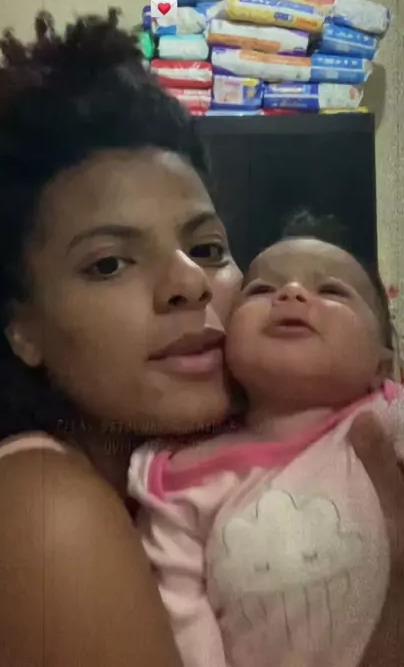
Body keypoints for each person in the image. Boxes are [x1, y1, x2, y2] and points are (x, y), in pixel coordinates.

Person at [0, 11, 401, 667]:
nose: (189, 283)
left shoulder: (165, 487)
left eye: (207, 248)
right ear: (22, 326)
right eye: (109, 264)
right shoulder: (44, 520)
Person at [129, 216, 402, 667]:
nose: (290, 293)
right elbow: (181, 619)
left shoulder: (388, 418)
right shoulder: (181, 478)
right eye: (260, 290)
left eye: (332, 291)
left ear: (383, 363)